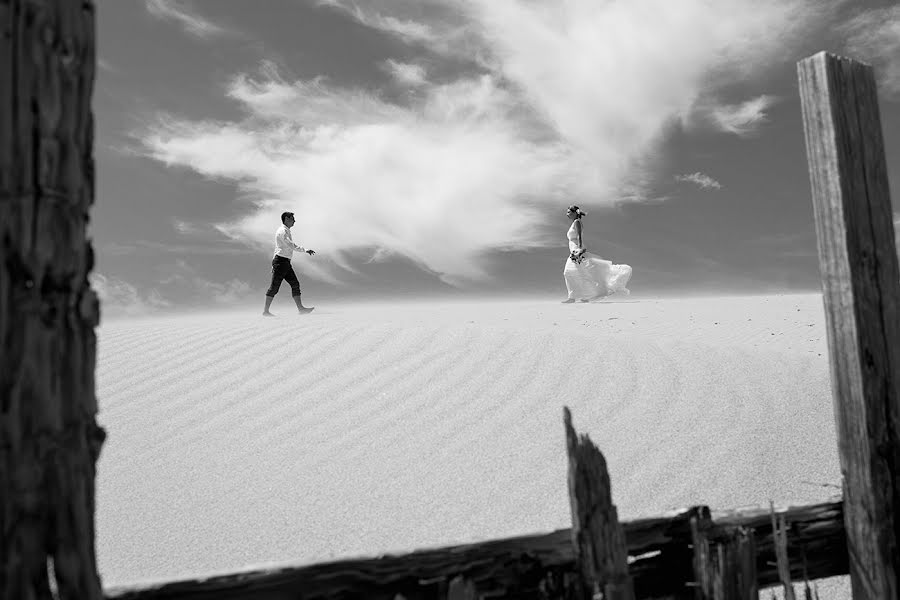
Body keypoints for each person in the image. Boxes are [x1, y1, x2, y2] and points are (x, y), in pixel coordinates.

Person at [562, 205, 632, 303]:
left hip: (576, 251)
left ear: (575, 213)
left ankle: (575, 297)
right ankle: (578, 297)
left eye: (569, 212)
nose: (567, 214)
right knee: (580, 273)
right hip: (573, 250)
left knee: (571, 272)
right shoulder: (574, 223)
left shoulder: (577, 222)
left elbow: (579, 237)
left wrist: (579, 249)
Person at [263, 211, 316, 316]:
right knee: (274, 287)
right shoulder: (282, 231)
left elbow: (277, 249)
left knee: (295, 284)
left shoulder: (286, 231)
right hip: (281, 262)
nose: (294, 221)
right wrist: (305, 250)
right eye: (292, 218)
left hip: (284, 262)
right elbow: (291, 245)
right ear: (286, 219)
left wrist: (273, 264)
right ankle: (265, 311)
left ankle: (301, 309)